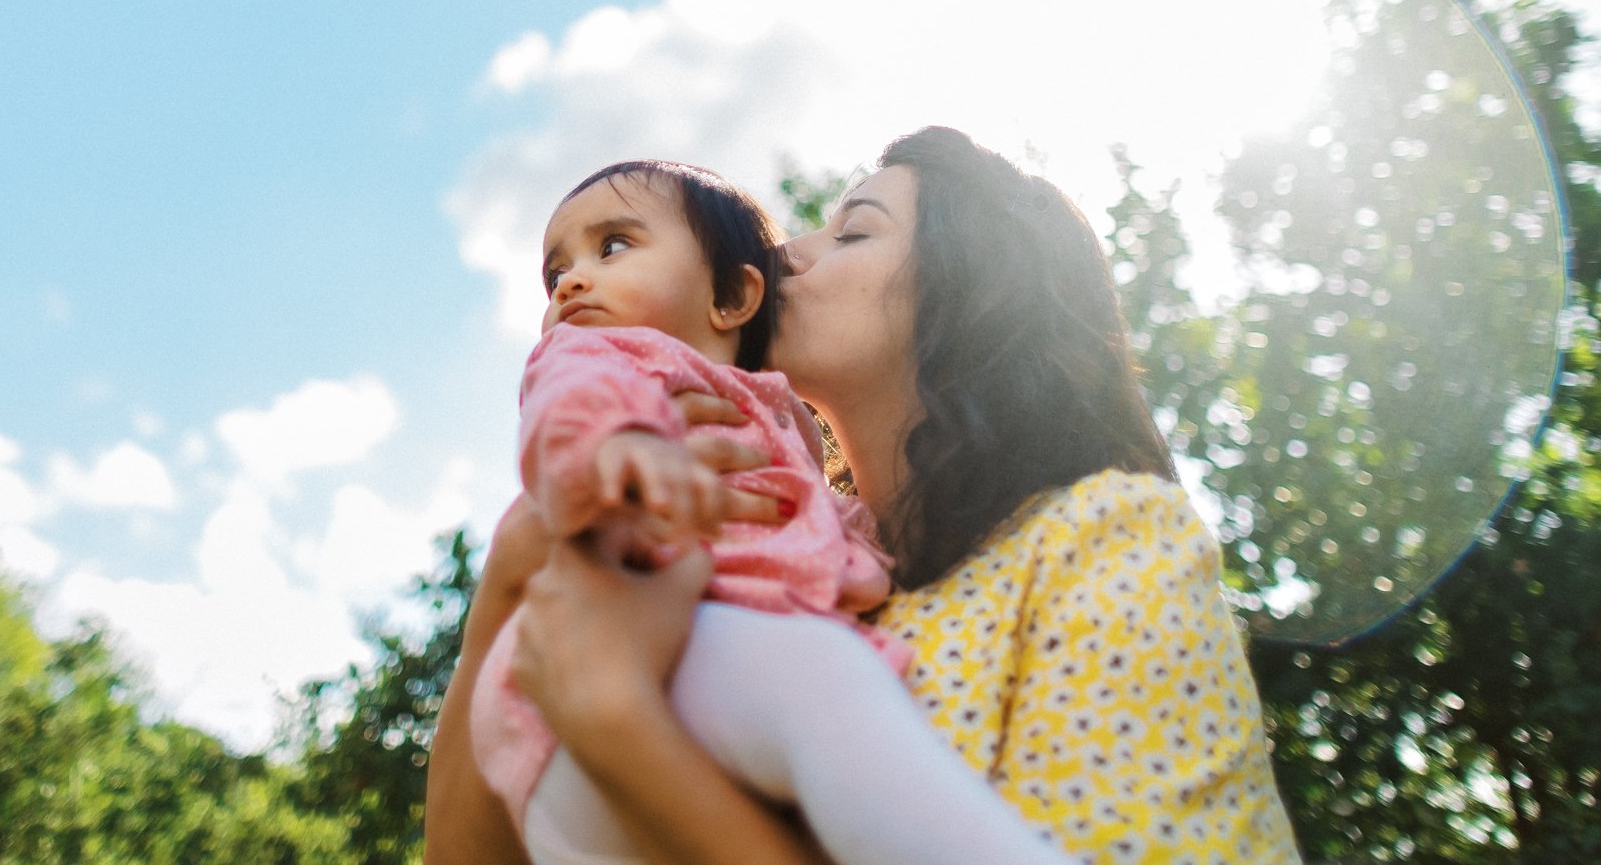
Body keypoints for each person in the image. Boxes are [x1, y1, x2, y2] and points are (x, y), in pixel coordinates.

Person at [428, 128, 1302, 864]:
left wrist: (618, 721)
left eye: (853, 234)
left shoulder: (1102, 536)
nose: (788, 252)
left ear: (967, 295)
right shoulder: (822, 577)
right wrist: (510, 581)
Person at [476, 160, 1059, 865]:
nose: (570, 281)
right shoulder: (614, 363)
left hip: (625, 735)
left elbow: (809, 521)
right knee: (827, 682)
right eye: (555, 270)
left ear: (730, 294)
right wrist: (625, 446)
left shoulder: (778, 421)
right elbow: (570, 405)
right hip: (623, 664)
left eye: (614, 246)